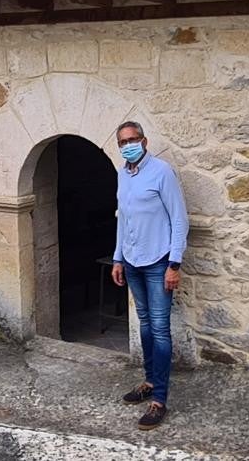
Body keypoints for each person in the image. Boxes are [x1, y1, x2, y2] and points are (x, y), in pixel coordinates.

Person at [110, 121, 189, 430]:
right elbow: (122, 219)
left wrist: (175, 264)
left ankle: (160, 399)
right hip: (132, 261)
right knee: (144, 324)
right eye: (123, 141)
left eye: (133, 139)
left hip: (158, 262)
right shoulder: (122, 174)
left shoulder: (162, 172)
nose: (128, 144)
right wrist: (118, 258)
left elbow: (179, 219)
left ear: (144, 140)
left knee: (160, 329)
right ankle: (149, 381)